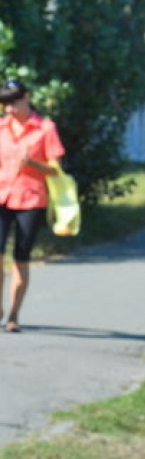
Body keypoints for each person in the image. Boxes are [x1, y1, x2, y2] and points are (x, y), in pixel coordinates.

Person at [0, 80, 65, 333]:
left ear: (26, 97)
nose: (10, 109)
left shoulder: (46, 129)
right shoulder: (1, 127)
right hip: (2, 196)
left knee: (21, 258)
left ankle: (14, 314)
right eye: (5, 104)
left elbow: (55, 169)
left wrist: (31, 163)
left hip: (30, 199)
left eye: (14, 102)